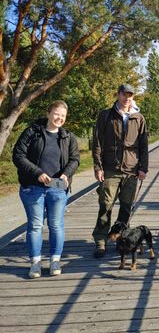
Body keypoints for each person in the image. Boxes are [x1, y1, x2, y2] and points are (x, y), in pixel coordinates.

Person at [12, 100, 80, 278]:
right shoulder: (32, 132)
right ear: (49, 112)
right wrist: (37, 173)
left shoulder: (67, 137)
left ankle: (55, 261)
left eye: (63, 116)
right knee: (35, 225)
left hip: (57, 188)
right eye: (57, 114)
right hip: (33, 187)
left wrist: (66, 174)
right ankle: (35, 263)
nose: (59, 118)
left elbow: (75, 159)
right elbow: (18, 155)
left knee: (56, 225)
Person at [91, 84, 148, 258]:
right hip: (111, 168)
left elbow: (144, 145)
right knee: (105, 205)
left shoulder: (138, 118)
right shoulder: (106, 115)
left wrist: (143, 167)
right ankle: (101, 240)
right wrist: (97, 166)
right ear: (118, 95)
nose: (127, 99)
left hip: (131, 169)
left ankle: (122, 238)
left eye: (130, 96)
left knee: (126, 206)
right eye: (124, 95)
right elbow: (97, 143)